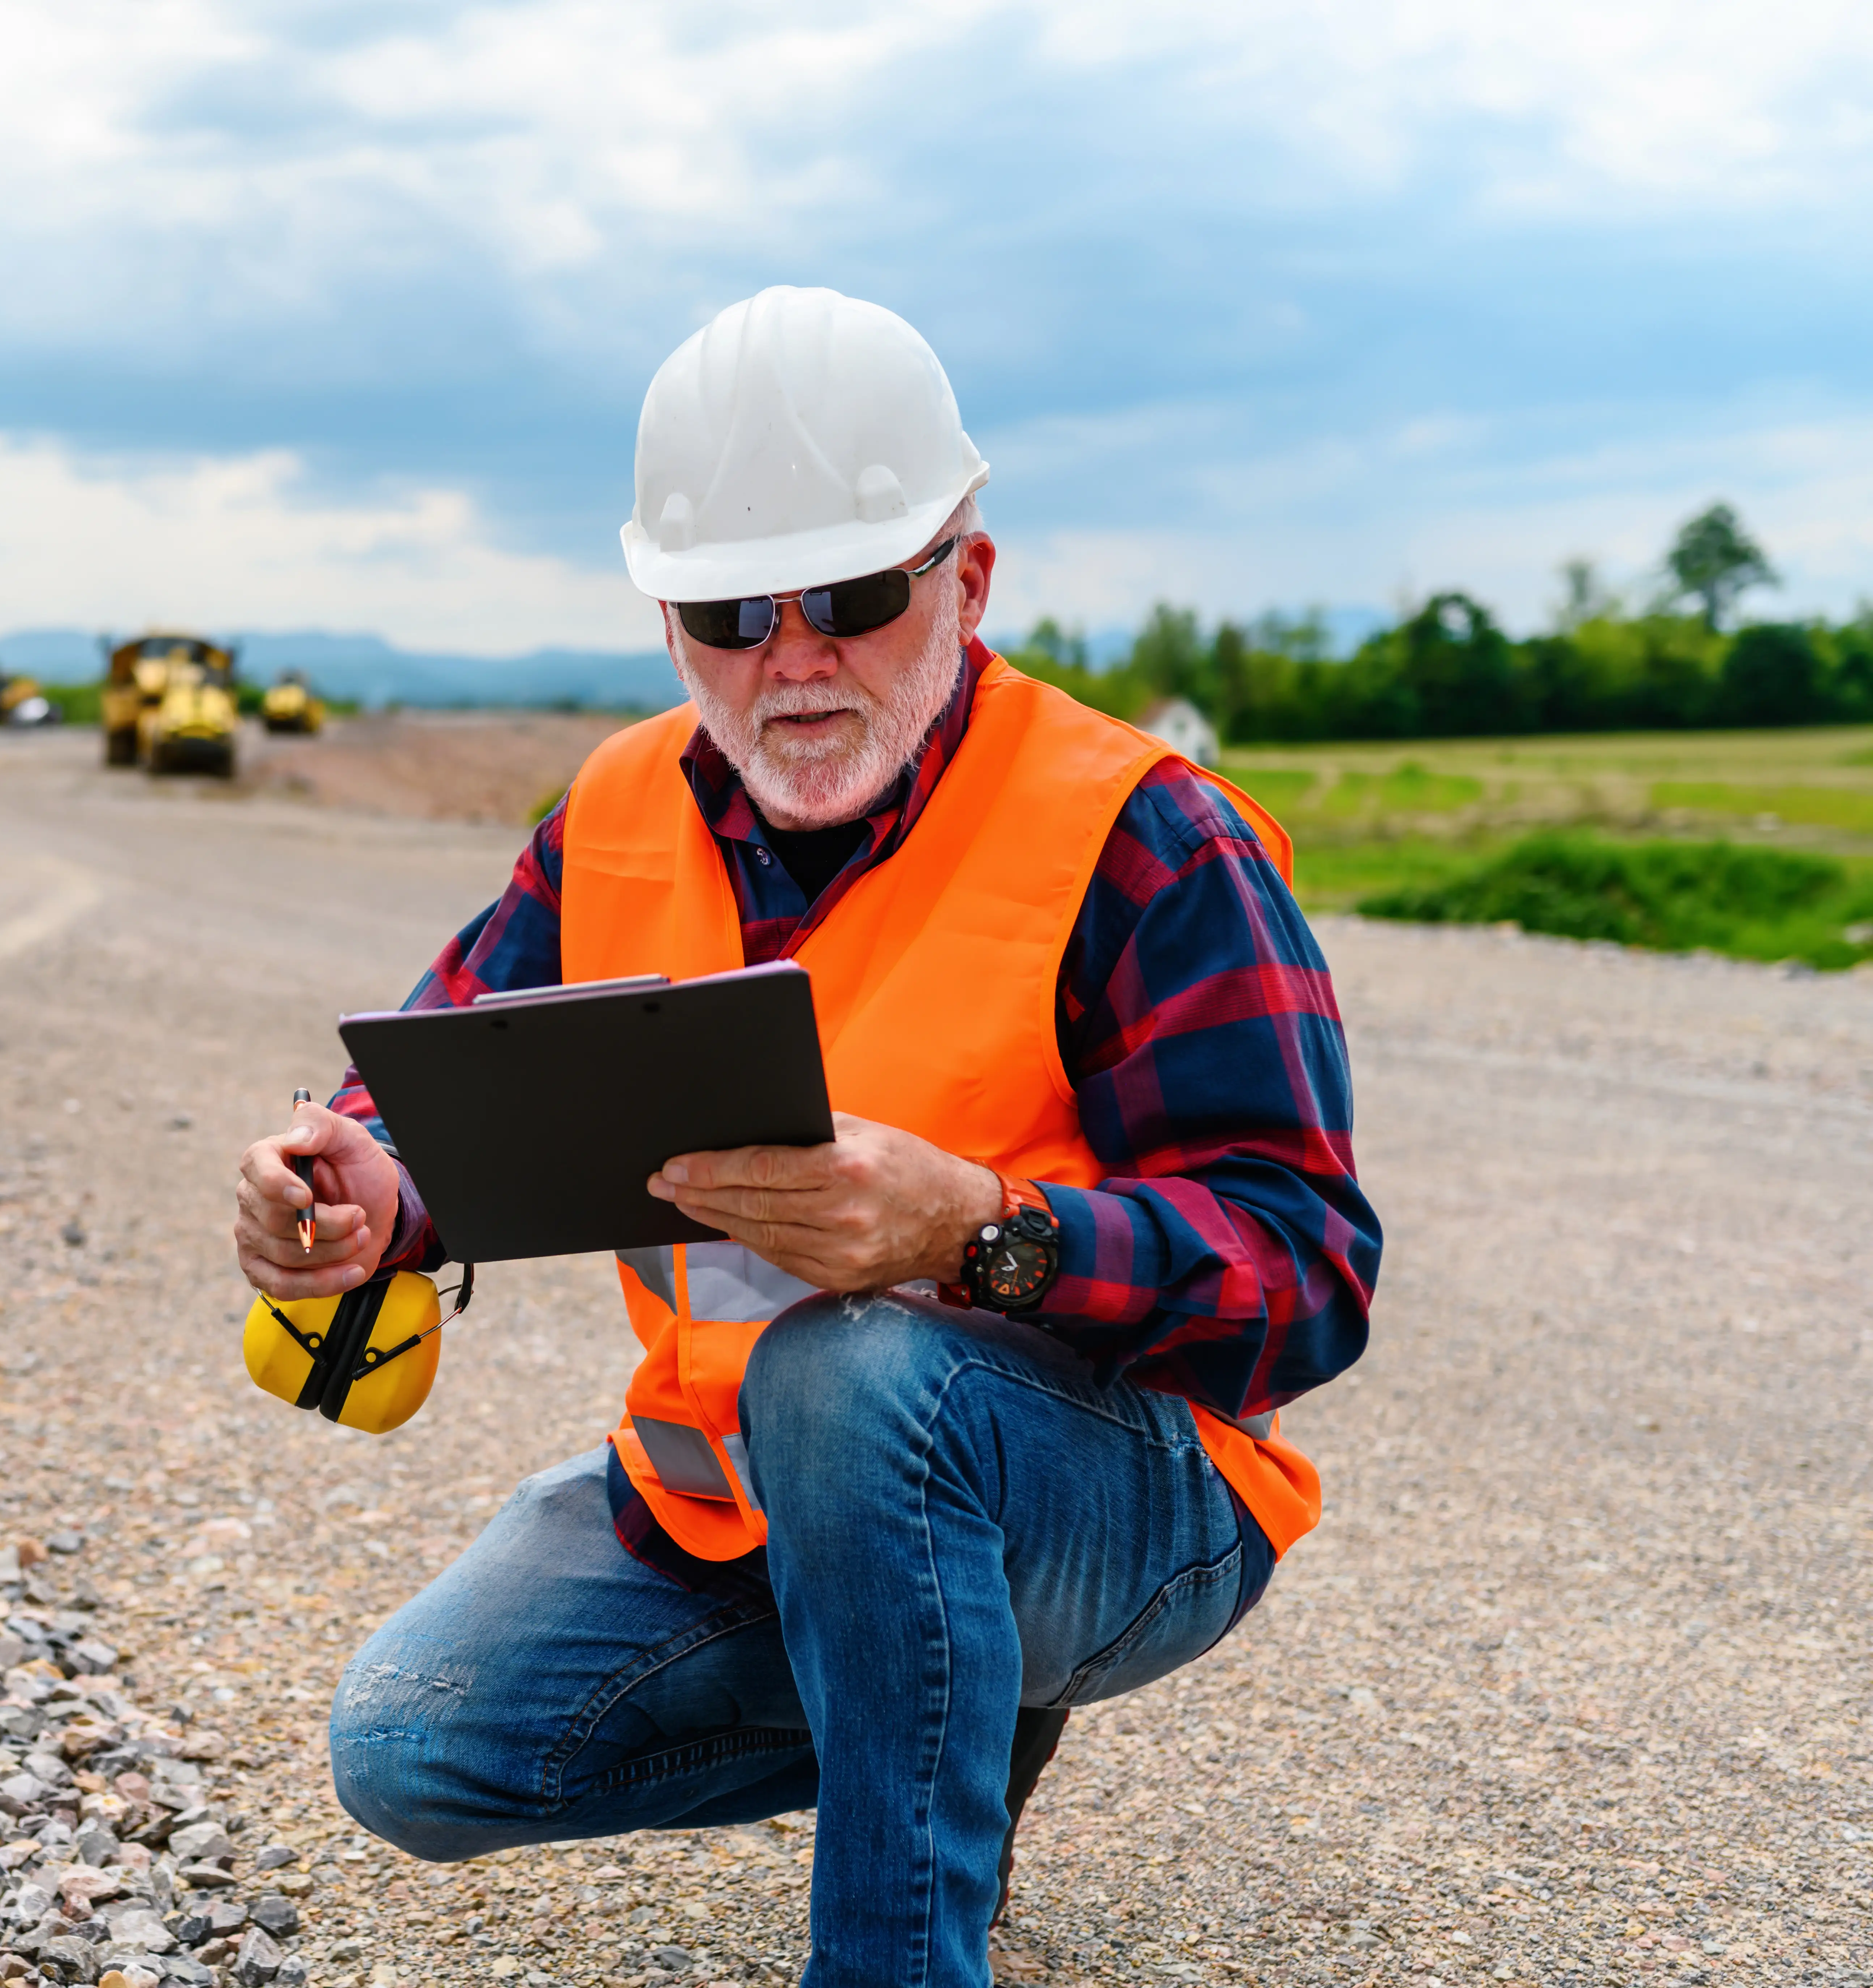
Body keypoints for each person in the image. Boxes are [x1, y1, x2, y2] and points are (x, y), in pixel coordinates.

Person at [228, 286, 1379, 1986]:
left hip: (1125, 1494)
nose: (792, 657)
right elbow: (433, 1073)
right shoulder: (614, 815)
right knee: (414, 1744)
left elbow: (1308, 1271)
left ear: (966, 582)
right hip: (742, 1505)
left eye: (849, 594)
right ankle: (942, 1706)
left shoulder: (1143, 838)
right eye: (727, 609)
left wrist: (979, 1231)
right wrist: (355, 1188)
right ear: (671, 625)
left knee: (849, 1372)